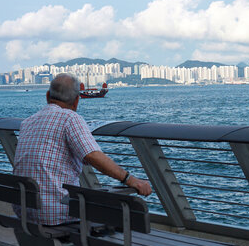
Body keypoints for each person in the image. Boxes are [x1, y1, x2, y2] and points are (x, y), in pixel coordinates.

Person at [13, 73, 152, 225]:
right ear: (77, 101)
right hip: (56, 214)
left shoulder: (27, 122)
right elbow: (93, 156)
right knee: (117, 217)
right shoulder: (70, 119)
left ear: (48, 96)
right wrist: (130, 180)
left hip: (24, 211)